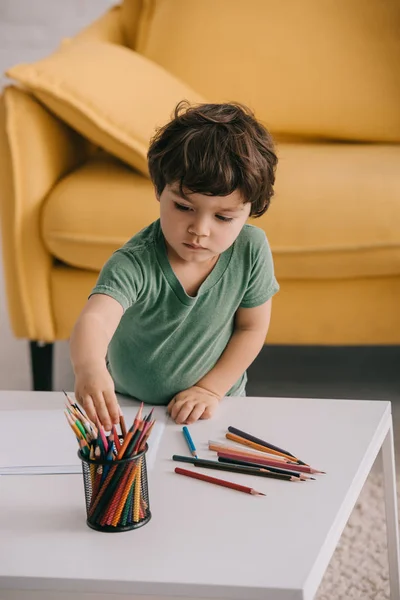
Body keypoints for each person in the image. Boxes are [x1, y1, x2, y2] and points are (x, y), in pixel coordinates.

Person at [69, 101, 279, 430]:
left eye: (223, 217)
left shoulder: (251, 251)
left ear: (250, 209)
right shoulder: (134, 262)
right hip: (127, 407)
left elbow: (251, 328)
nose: (200, 229)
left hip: (216, 402)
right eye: (183, 206)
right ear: (158, 190)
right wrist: (88, 367)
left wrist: (210, 389)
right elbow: (96, 318)